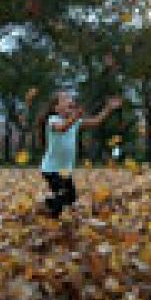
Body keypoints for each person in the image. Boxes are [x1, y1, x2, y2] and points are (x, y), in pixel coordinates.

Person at [35, 91, 122, 219]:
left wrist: (108, 109)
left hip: (65, 170)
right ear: (56, 108)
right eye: (64, 99)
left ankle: (50, 213)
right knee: (63, 194)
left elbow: (96, 122)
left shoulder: (75, 122)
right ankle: (46, 205)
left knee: (70, 197)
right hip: (51, 169)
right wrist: (74, 118)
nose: (69, 100)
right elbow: (62, 128)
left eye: (70, 99)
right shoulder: (53, 120)